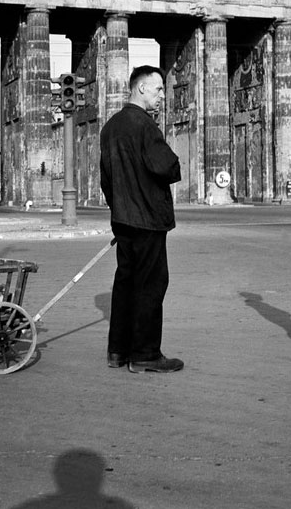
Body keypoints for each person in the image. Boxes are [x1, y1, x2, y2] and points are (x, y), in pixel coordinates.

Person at [100, 65, 183, 374]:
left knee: (125, 284)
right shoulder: (145, 126)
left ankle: (118, 352)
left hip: (124, 219)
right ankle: (146, 354)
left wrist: (119, 209)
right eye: (159, 89)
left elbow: (105, 179)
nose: (162, 95)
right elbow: (167, 168)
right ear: (141, 88)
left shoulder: (110, 127)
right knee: (150, 285)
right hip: (148, 219)